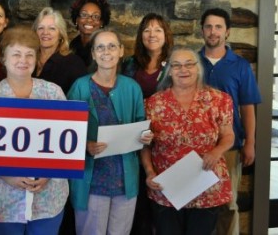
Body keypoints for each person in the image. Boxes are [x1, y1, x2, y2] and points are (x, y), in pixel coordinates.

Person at [0, 27, 68, 235]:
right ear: (3, 59)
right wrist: (6, 175)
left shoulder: (53, 93)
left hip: (48, 197)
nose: (23, 60)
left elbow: (67, 144)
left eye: (29, 55)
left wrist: (49, 173)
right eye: (16, 54)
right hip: (2, 198)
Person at [67, 29, 152, 235]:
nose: (107, 52)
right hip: (91, 181)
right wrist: (85, 145)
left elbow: (141, 123)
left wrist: (145, 136)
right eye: (100, 47)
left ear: (121, 51)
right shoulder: (79, 87)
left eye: (112, 46)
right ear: (94, 54)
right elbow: (67, 131)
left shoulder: (132, 87)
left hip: (125, 181)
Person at [142, 46, 234, 235]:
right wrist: (149, 172)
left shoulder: (219, 100)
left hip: (205, 187)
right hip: (167, 187)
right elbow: (145, 144)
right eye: (176, 65)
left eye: (189, 64)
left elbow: (228, 136)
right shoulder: (153, 103)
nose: (183, 70)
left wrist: (216, 152)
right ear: (169, 71)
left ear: (198, 68)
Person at [198, 8, 261, 235]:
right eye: (208, 26)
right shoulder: (191, 63)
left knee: (228, 203)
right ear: (202, 31)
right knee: (198, 204)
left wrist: (250, 142)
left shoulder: (240, 66)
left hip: (230, 147)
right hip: (197, 148)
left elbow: (247, 106)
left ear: (227, 32)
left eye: (218, 27)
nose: (213, 32)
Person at [121, 13, 173, 235]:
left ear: (166, 35)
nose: (152, 34)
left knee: (161, 201)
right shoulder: (130, 64)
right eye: (147, 30)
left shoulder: (175, 64)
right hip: (133, 139)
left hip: (163, 140)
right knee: (137, 197)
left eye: (157, 30)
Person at [33, 7, 87, 94]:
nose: (45, 32)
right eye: (40, 28)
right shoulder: (27, 59)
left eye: (52, 28)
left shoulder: (74, 63)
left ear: (60, 34)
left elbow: (81, 99)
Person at [69, 0, 111, 68]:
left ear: (101, 22)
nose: (89, 20)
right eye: (84, 15)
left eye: (96, 16)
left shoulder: (106, 48)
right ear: (76, 19)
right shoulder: (72, 46)